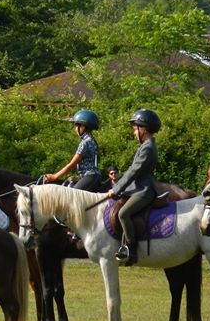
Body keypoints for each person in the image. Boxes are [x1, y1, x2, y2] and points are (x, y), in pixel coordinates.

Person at [108, 109, 160, 266]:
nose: (134, 132)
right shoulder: (145, 146)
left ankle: (131, 250)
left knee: (123, 214)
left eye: (135, 128)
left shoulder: (147, 147)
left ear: (143, 128)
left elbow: (134, 171)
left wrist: (116, 189)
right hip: (137, 188)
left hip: (143, 190)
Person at [44, 109, 101, 192]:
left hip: (89, 176)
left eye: (76, 126)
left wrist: (54, 176)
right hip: (92, 176)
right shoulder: (91, 140)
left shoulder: (85, 142)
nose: (75, 129)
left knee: (71, 196)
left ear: (82, 127)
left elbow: (71, 165)